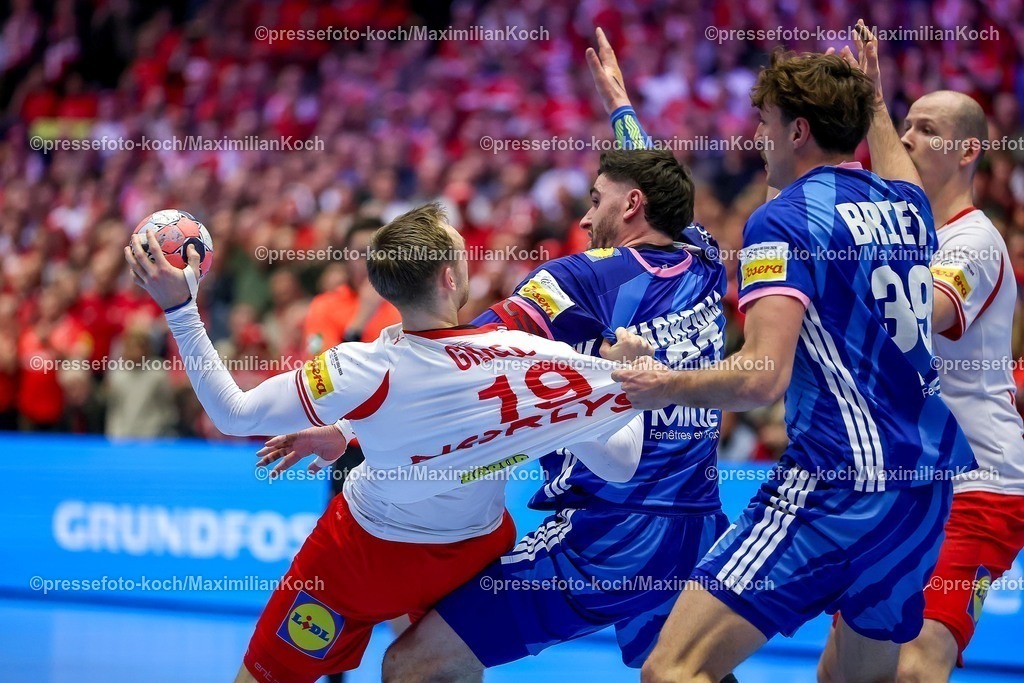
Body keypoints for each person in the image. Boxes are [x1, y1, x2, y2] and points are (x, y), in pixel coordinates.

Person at [123, 202, 648, 683]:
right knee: (428, 672)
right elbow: (622, 463)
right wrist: (622, 384)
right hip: (470, 558)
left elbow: (232, 414)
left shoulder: (362, 367)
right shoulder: (523, 356)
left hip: (360, 560)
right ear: (450, 277)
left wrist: (180, 310)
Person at [273, 133, 730, 683]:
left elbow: (460, 357)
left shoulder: (576, 278)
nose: (585, 220)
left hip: (613, 535)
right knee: (679, 672)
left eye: (594, 199)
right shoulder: (703, 257)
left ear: (631, 205)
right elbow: (662, 189)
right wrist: (622, 113)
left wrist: (347, 427)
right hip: (698, 523)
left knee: (413, 663)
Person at [611, 24, 975, 683]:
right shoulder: (910, 206)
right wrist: (872, 98)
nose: (758, 136)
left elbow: (759, 379)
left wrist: (663, 384)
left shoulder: (780, 220)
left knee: (672, 668)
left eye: (766, 122)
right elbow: (897, 168)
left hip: (838, 482)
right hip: (924, 489)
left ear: (798, 130)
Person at [822, 27, 1024, 683]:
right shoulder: (900, 237)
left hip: (976, 485)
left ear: (968, 151)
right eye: (904, 125)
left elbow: (920, 317)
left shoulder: (974, 243)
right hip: (898, 483)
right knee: (846, 673)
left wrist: (875, 104)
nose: (908, 139)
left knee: (915, 667)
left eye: (926, 129)